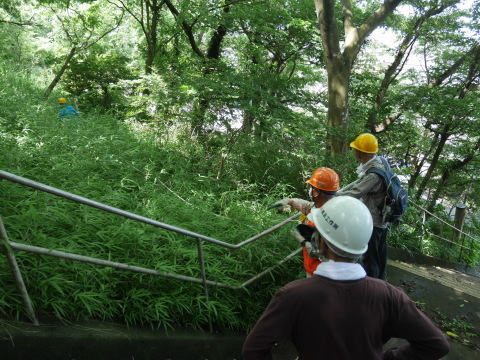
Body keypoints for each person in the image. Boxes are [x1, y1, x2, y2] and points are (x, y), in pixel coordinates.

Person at [242, 196, 450, 360]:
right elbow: (436, 345)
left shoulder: (292, 295)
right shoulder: (390, 296)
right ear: (362, 247)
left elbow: (254, 349)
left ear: (320, 244)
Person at [268, 168, 340, 277]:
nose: (310, 191)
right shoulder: (324, 206)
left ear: (316, 192)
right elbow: (305, 205)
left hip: (322, 274)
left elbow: (320, 252)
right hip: (314, 269)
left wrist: (301, 238)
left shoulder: (327, 219)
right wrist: (288, 201)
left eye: (312, 188)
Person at [337, 133, 389, 279]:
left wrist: (331, 196)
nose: (353, 151)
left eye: (355, 148)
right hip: (380, 218)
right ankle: (380, 285)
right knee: (379, 256)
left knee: (370, 258)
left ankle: (373, 290)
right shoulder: (381, 162)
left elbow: (355, 192)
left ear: (361, 152)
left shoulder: (373, 175)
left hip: (374, 223)